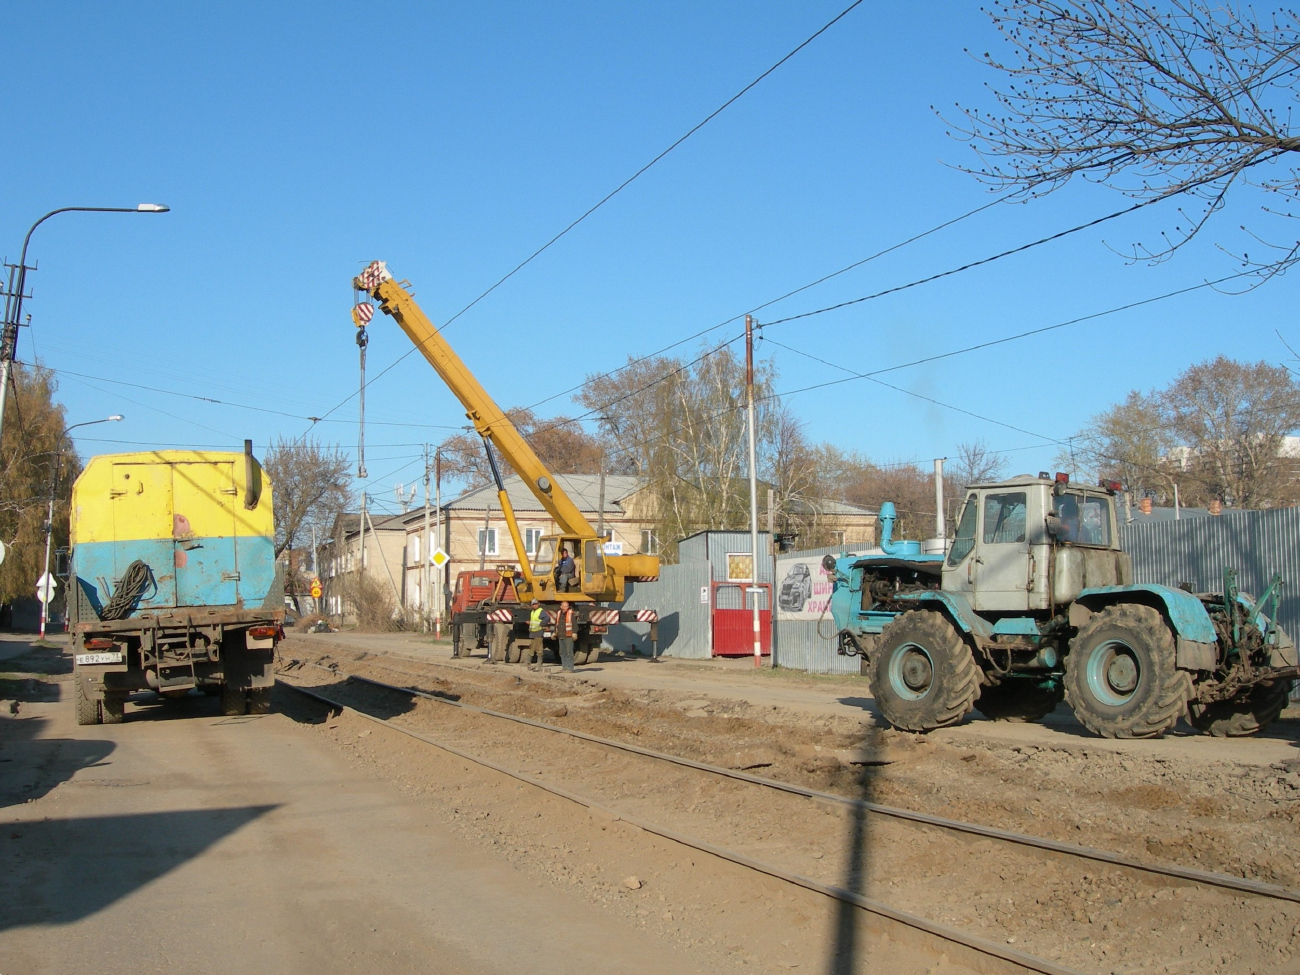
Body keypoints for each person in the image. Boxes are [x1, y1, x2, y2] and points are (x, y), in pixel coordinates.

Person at [525, 598, 548, 669]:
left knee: (539, 648)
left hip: (538, 632)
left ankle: (539, 663)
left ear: (538, 604)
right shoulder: (533, 612)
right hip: (533, 632)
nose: (535, 605)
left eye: (536, 604)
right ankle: (528, 662)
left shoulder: (541, 611)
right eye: (533, 604)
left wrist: (542, 623)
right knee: (532, 647)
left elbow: (547, 618)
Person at [556, 600, 576, 672]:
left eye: (567, 606)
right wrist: (555, 632)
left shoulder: (570, 613)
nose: (566, 607)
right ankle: (564, 667)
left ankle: (570, 668)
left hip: (568, 636)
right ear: (561, 607)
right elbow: (557, 624)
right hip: (561, 635)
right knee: (562, 652)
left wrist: (574, 632)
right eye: (564, 606)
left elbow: (574, 624)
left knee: (569, 652)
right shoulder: (559, 613)